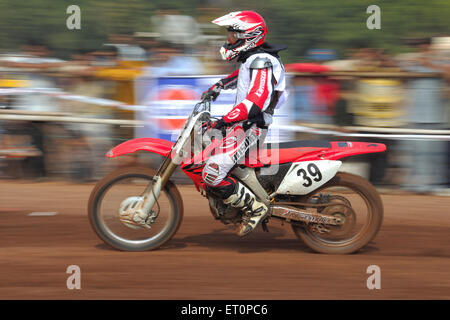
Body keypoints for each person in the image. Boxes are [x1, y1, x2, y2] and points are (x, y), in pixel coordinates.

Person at [199, 11, 287, 236]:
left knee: (212, 173)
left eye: (232, 36)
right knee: (207, 148)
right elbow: (241, 76)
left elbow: (256, 102)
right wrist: (216, 88)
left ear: (248, 37)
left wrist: (225, 120)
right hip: (243, 125)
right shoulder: (253, 59)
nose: (228, 41)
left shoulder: (262, 61)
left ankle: (255, 208)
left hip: (251, 128)